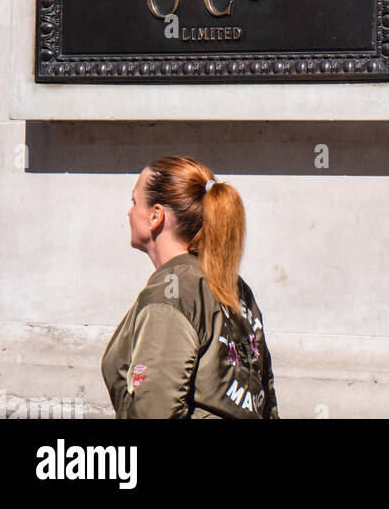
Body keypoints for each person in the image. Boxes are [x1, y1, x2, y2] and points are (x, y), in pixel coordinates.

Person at [102, 155, 279, 419]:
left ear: (155, 216)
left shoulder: (171, 295)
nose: (129, 212)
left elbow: (155, 410)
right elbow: (267, 402)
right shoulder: (235, 287)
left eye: (134, 202)